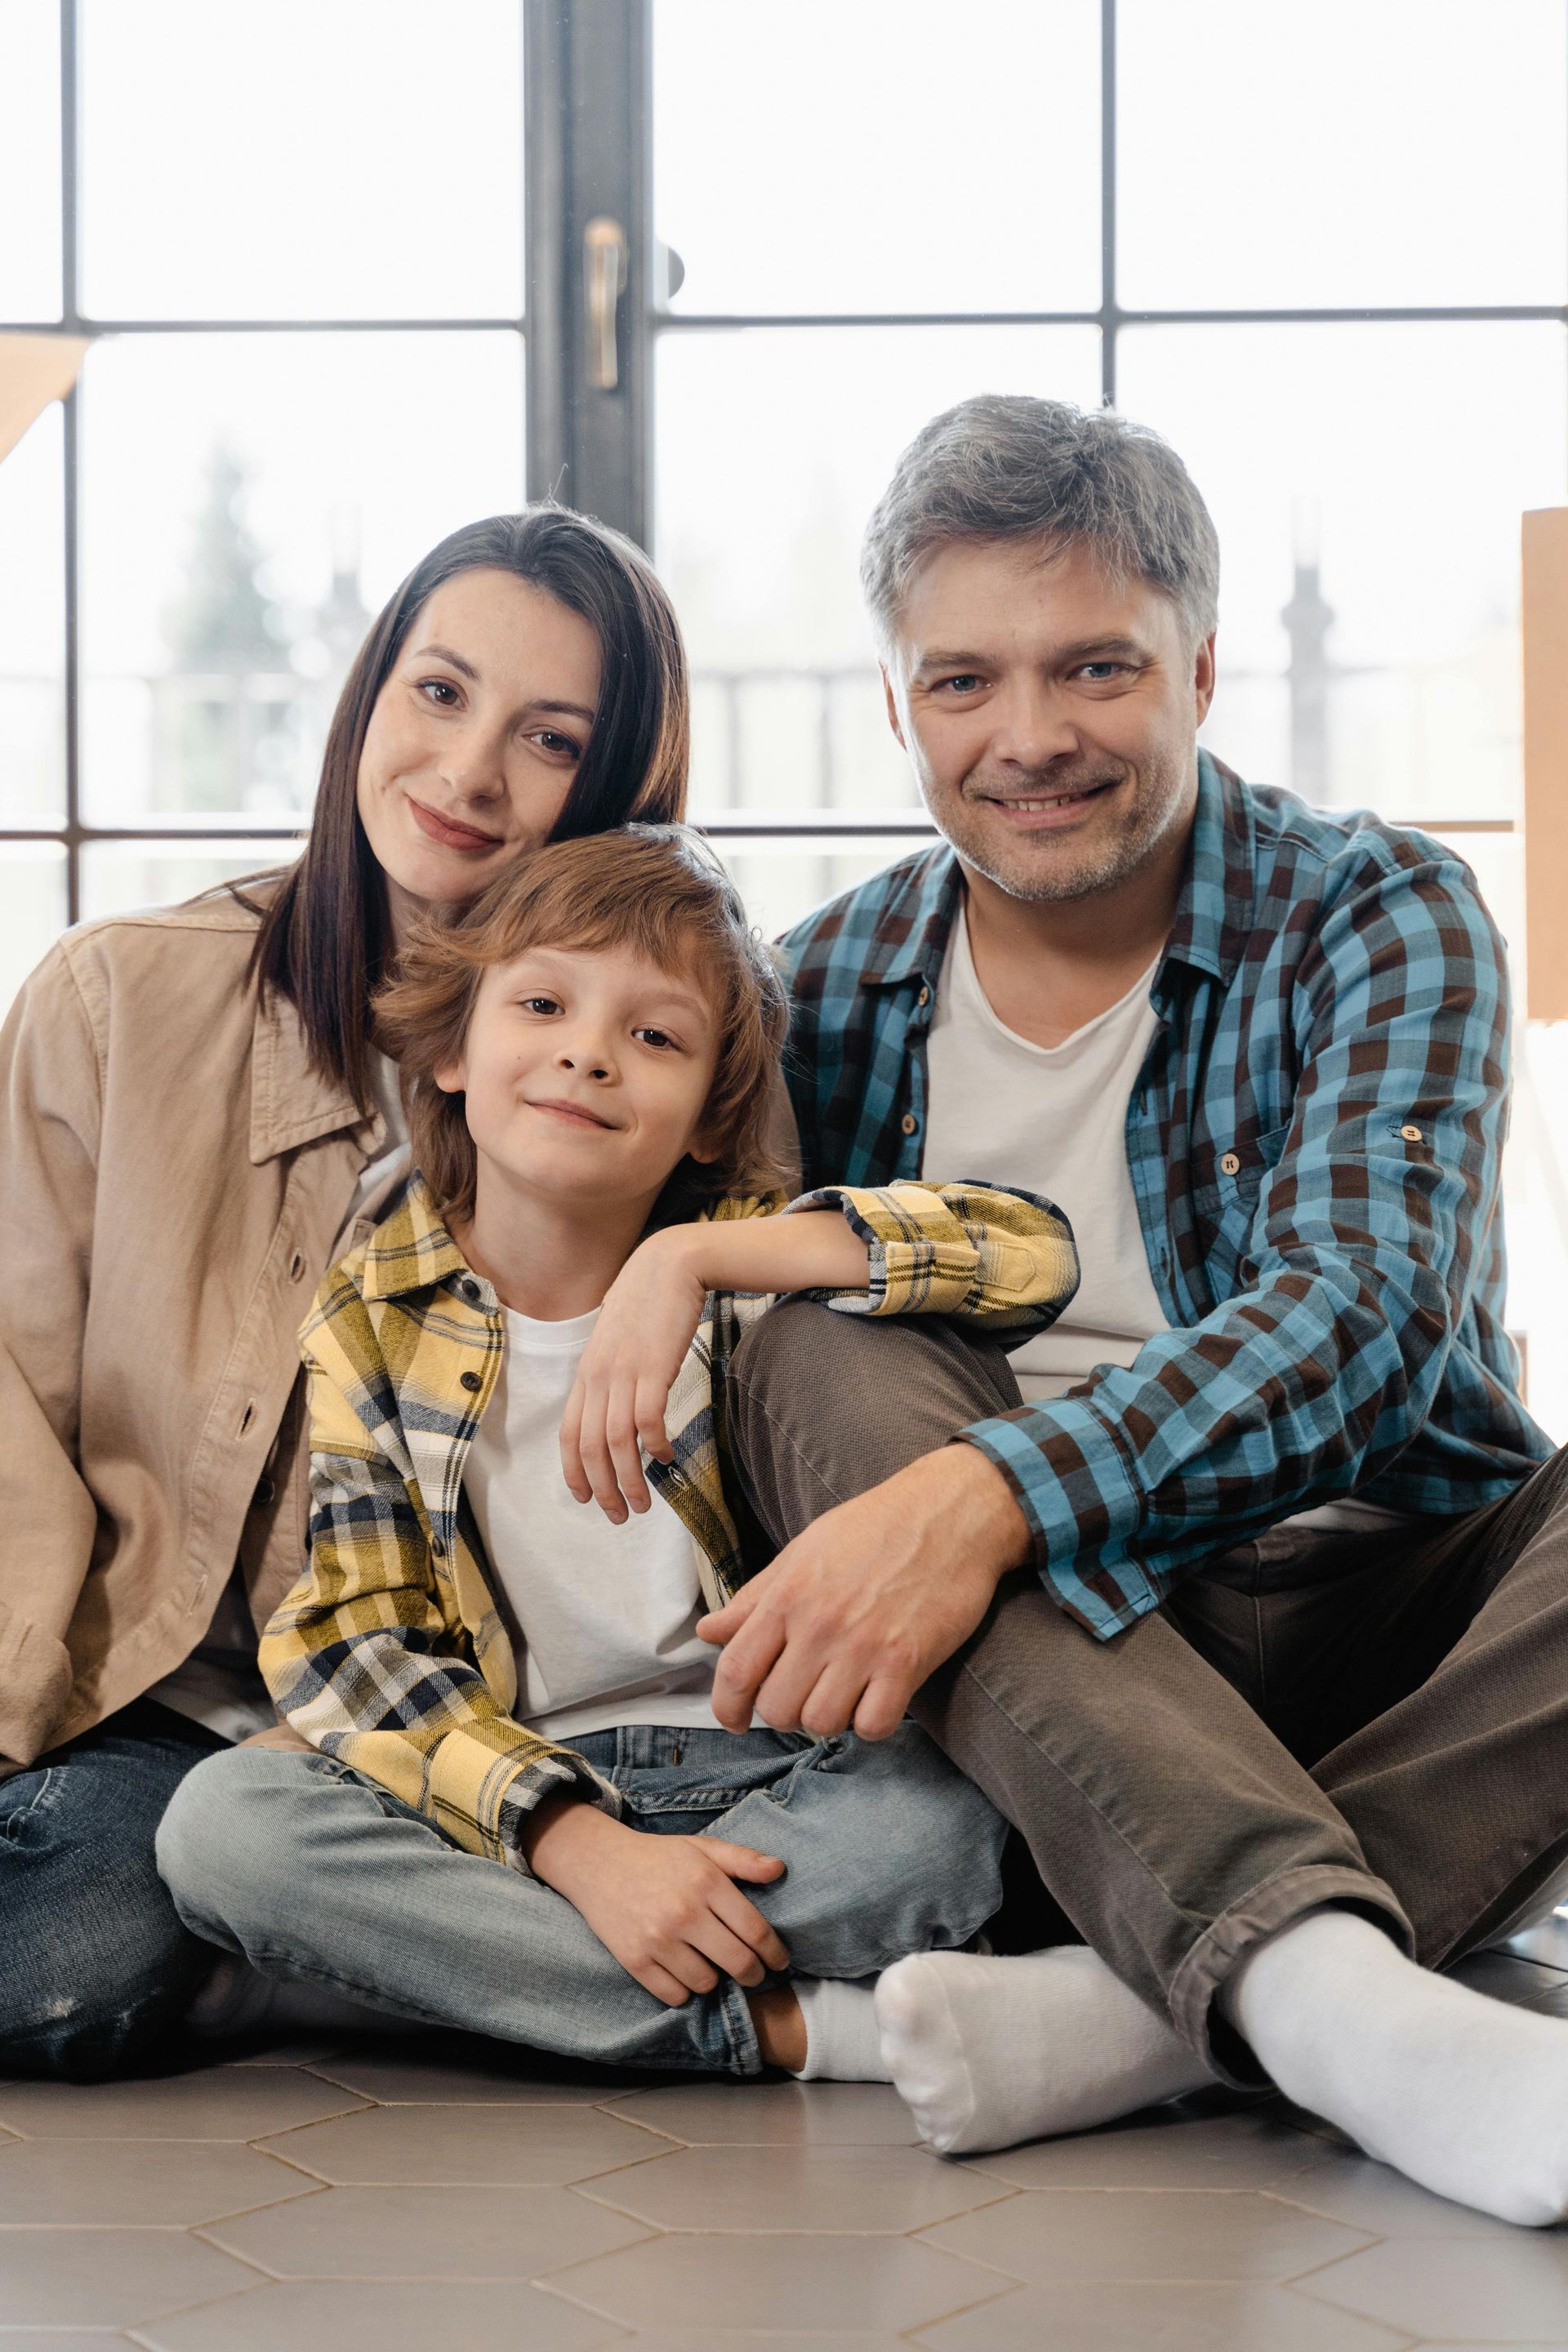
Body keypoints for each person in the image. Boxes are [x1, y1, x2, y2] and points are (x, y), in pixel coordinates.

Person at [697, 394, 1568, 2227]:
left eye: (1094, 667)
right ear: (897, 704)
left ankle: (1159, 2005)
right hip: (1033, 1676)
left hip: (1368, 1597)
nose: (1028, 739)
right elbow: (769, 1409)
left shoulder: (1377, 910)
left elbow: (1371, 1320)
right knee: (818, 1339)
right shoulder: (830, 980)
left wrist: (991, 1493)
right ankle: (1330, 2001)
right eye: (963, 683)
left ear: (1201, 667)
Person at [154, 826, 1076, 2078]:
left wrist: (688, 1261)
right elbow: (354, 1638)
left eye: (656, 1038)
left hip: (783, 1777)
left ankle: (489, 1984)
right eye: (542, 1003)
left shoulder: (747, 1280)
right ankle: (801, 2027)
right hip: (528, 1789)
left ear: (708, 1118)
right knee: (225, 1825)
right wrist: (580, 1849)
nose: (590, 1052)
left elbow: (1030, 1253)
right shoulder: (371, 1316)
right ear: (449, 1050)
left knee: (949, 1822)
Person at [0, 505, 691, 2079]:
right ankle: (375, 1955)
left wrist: (692, 1255)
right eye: (438, 694)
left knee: (88, 1943)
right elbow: (9, 1408)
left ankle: (332, 1934)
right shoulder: (120, 997)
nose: (467, 775)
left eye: (548, 736)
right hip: (143, 1710)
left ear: (615, 783)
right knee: (69, 1939)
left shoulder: (661, 1052)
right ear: (367, 697)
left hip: (472, 1723)